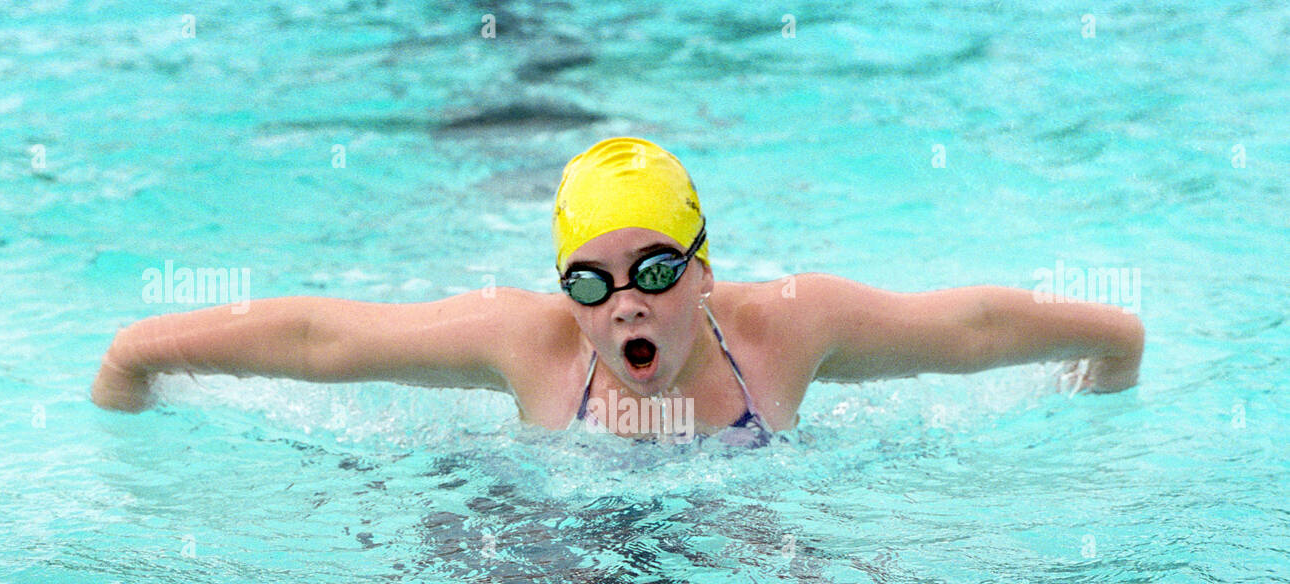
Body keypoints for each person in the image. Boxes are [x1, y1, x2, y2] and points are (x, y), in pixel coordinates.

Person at [90, 136, 1144, 445]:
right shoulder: (531, 343)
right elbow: (324, 338)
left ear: (703, 269)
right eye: (590, 283)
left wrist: (1115, 347)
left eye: (655, 271)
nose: (624, 304)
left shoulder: (785, 330)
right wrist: (138, 353)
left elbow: (969, 326)